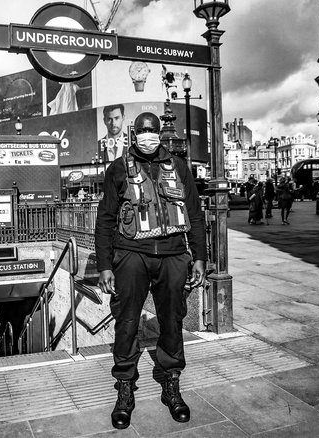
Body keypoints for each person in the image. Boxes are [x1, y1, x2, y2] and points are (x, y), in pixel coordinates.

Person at [95, 112, 207, 430]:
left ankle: (171, 382)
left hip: (173, 255)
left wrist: (200, 257)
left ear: (159, 133)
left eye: (151, 130)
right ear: (134, 133)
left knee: (172, 320)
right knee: (127, 322)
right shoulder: (118, 169)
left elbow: (196, 215)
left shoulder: (179, 167)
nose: (147, 135)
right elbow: (105, 219)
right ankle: (125, 388)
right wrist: (105, 265)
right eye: (141, 130)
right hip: (131, 255)